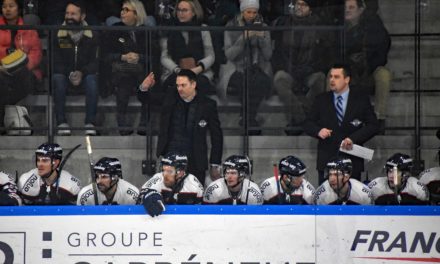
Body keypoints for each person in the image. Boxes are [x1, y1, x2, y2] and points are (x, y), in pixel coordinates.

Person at [303, 63, 379, 184]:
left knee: (352, 198)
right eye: (330, 77)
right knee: (326, 199)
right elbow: (307, 123)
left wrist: (353, 138)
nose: (332, 80)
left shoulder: (360, 100)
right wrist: (318, 131)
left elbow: (373, 125)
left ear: (347, 79)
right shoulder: (321, 100)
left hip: (352, 159)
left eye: (337, 77)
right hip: (327, 159)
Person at [150, 69, 223, 186]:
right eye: (178, 85)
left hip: (196, 161)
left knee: (195, 197)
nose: (179, 89)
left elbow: (216, 135)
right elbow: (147, 99)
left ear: (193, 84)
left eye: (183, 85)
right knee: (168, 195)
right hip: (170, 159)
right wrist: (143, 88)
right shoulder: (169, 100)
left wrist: (215, 163)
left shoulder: (208, 105)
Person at [272, 0, 326, 135]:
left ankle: (298, 120)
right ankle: (303, 118)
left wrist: (310, 68)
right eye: (297, 4)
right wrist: (289, 68)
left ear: (310, 9)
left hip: (309, 70)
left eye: (304, 4)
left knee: (320, 78)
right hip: (289, 70)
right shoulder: (284, 24)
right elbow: (277, 52)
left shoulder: (319, 26)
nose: (299, 7)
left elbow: (324, 54)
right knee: (279, 78)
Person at [222, 0, 272, 135]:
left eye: (254, 12)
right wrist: (243, 37)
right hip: (236, 68)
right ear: (242, 12)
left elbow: (268, 55)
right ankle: (250, 121)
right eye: (248, 12)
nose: (251, 15)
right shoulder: (231, 26)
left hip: (258, 67)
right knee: (245, 81)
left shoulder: (264, 27)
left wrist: (261, 39)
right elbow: (229, 55)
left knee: (259, 81)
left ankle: (246, 119)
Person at [103, 0, 150, 135]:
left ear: (136, 14)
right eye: (122, 9)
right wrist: (122, 57)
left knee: (147, 82)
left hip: (141, 70)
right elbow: (105, 56)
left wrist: (139, 57)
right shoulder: (115, 30)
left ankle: (144, 122)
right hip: (122, 70)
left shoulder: (147, 31)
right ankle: (122, 122)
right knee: (124, 82)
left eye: (126, 10)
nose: (122, 12)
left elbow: (153, 56)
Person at [52, 0, 99, 136]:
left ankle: (90, 123)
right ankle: (61, 123)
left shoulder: (93, 35)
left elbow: (95, 62)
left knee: (92, 80)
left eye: (73, 14)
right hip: (65, 75)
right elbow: (55, 60)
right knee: (57, 78)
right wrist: (70, 73)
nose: (69, 17)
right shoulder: (57, 33)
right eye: (67, 13)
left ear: (82, 16)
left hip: (84, 76)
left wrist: (82, 73)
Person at [344, 0, 391, 133]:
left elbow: (382, 48)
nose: (347, 10)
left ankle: (378, 118)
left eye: (351, 7)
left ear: (361, 9)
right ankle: (334, 118)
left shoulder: (373, 24)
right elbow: (332, 51)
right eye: (346, 7)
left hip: (369, 67)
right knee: (332, 74)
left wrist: (367, 65)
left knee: (384, 75)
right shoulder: (339, 27)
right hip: (348, 70)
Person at [0, 0, 42, 135]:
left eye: (11, 6)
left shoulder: (28, 28)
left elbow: (36, 52)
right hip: (2, 70)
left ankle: (6, 120)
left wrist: (22, 66)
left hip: (25, 70)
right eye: (4, 6)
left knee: (24, 78)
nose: (7, 9)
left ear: (18, 9)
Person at [159, 0, 216, 95]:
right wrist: (178, 70)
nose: (181, 13)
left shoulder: (203, 29)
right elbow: (164, 57)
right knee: (177, 85)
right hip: (175, 71)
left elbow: (210, 56)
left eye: (185, 10)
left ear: (194, 13)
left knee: (198, 84)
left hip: (198, 72)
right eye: (179, 10)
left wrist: (197, 69)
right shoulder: (170, 29)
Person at [139, 152, 204, 217]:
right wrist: (149, 195)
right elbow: (140, 197)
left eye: (169, 171)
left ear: (180, 173)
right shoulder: (158, 179)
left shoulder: (194, 186)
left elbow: (201, 212)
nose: (164, 175)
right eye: (164, 170)